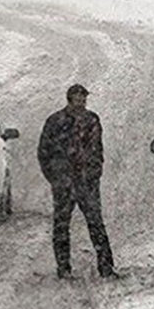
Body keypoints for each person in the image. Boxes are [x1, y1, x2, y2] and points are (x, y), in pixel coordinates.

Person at [37, 84, 116, 279]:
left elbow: (97, 149)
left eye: (84, 99)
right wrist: (55, 177)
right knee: (62, 225)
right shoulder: (56, 121)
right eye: (78, 98)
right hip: (64, 181)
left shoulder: (91, 120)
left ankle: (106, 267)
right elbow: (43, 151)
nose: (81, 102)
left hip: (86, 181)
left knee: (95, 223)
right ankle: (63, 268)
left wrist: (94, 173)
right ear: (69, 99)